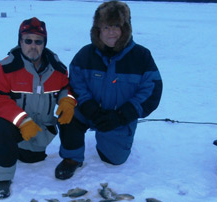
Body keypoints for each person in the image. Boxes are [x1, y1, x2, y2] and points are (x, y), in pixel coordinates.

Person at [55, 0, 163, 180]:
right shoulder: (85, 55)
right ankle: (72, 158)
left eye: (116, 26)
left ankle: (109, 140)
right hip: (90, 111)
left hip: (119, 117)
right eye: (106, 27)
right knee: (67, 114)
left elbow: (151, 91)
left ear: (125, 28)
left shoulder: (141, 56)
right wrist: (88, 106)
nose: (111, 32)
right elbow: (75, 83)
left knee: (113, 159)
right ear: (98, 30)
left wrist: (122, 116)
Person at [0, 17, 76, 199]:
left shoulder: (57, 68)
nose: (33, 46)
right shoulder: (5, 68)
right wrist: (22, 120)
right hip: (16, 127)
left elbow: (67, 88)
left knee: (31, 159)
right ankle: (3, 177)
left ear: (44, 44)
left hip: (39, 132)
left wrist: (67, 100)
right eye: (28, 40)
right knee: (0, 127)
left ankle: (67, 156)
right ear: (20, 41)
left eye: (38, 41)